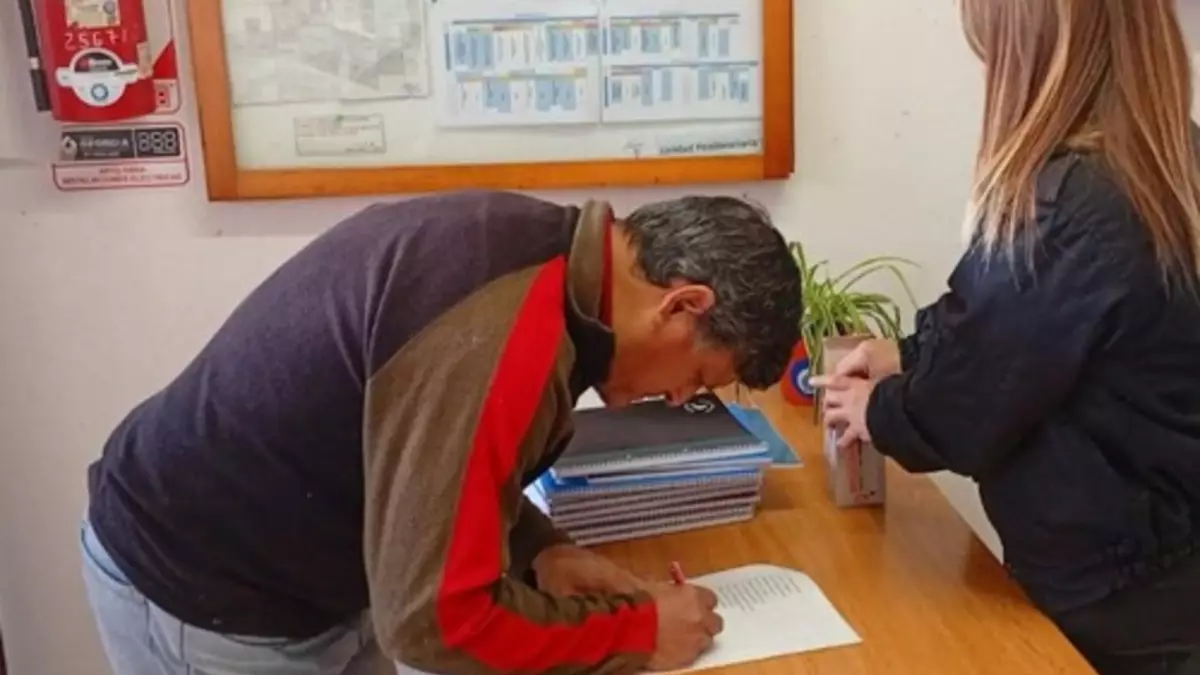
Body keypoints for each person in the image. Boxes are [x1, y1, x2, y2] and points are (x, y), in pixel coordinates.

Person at [80, 190, 804, 675]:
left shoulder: (544, 261)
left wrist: (539, 550)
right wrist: (638, 635)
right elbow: (436, 620)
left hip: (321, 575)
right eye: (698, 376)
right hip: (207, 592)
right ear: (682, 304)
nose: (678, 398)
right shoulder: (508, 332)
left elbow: (435, 469)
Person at [813, 1, 1200, 674]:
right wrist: (909, 352)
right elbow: (1017, 331)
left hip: (1119, 587)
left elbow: (964, 406)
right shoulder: (1172, 159)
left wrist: (878, 409)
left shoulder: (1069, 204)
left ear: (1032, 55)